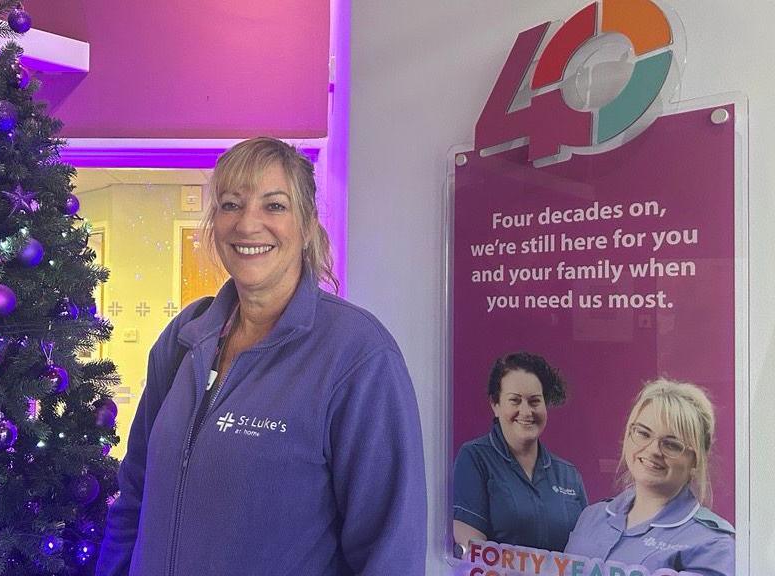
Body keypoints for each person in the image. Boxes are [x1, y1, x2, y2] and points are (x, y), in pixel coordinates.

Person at [95, 137, 426, 576]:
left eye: (274, 206)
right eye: (231, 205)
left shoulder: (357, 355)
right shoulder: (184, 339)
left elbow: (390, 551)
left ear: (307, 224)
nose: (248, 225)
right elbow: (135, 495)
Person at [564, 379, 735, 576]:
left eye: (671, 444)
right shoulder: (592, 516)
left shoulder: (712, 544)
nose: (654, 450)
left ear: (696, 461)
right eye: (643, 433)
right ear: (628, 436)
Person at [453, 352, 587, 554]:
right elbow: (472, 553)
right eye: (515, 401)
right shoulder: (475, 458)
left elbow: (587, 549)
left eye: (534, 401)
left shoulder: (569, 475)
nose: (526, 412)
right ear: (495, 405)